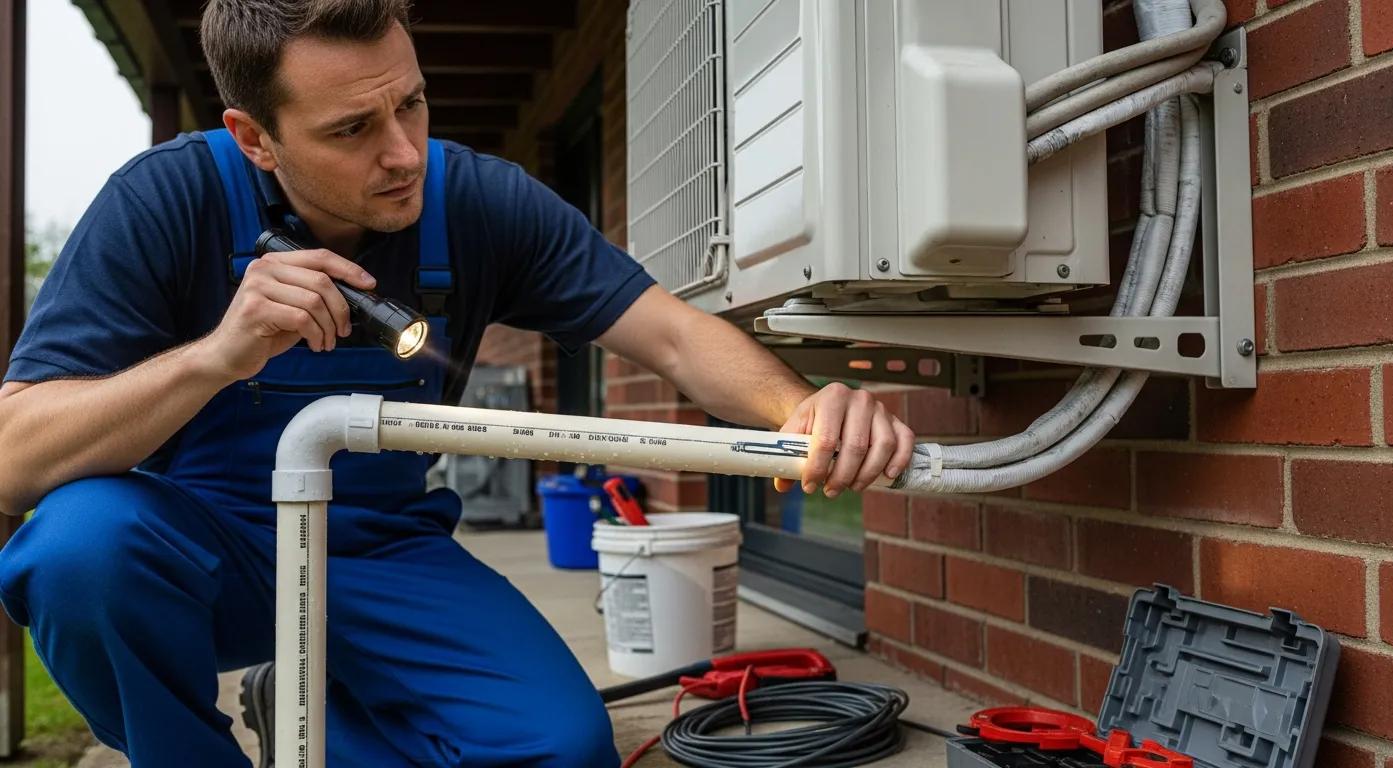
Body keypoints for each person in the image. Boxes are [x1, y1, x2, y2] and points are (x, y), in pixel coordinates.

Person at [0, 1, 916, 765]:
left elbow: (675, 337)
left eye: (413, 104)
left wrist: (797, 409)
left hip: (379, 550)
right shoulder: (164, 202)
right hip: (205, 556)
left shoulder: (476, 200)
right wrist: (215, 356)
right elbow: (14, 459)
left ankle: (312, 704)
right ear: (255, 139)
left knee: (562, 750)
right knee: (79, 547)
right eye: (354, 129)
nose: (402, 152)